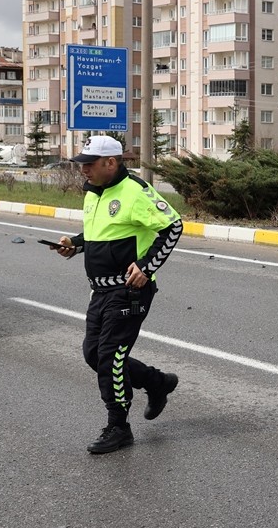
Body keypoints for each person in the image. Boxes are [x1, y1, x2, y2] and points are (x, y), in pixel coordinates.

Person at [50, 135, 183, 454]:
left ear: (111, 162)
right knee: (93, 354)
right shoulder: (93, 192)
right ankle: (156, 382)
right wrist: (75, 245)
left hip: (129, 291)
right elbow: (100, 234)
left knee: (110, 357)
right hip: (100, 290)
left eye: (89, 164)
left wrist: (147, 267)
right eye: (81, 164)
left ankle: (119, 427)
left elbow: (173, 226)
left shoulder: (134, 191)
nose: (83, 170)